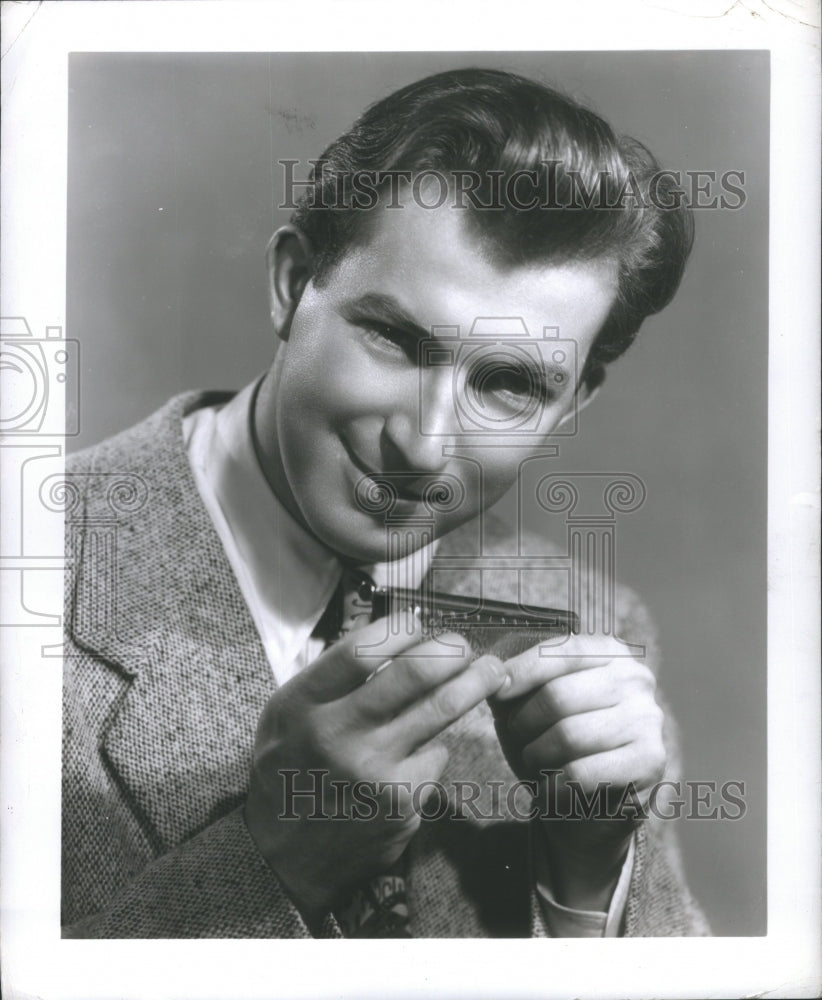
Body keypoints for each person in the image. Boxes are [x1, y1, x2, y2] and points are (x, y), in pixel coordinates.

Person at [61, 67, 709, 937]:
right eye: (398, 339)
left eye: (512, 384)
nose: (425, 445)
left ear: (574, 402)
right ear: (293, 284)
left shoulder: (589, 622)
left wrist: (587, 876)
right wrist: (272, 866)